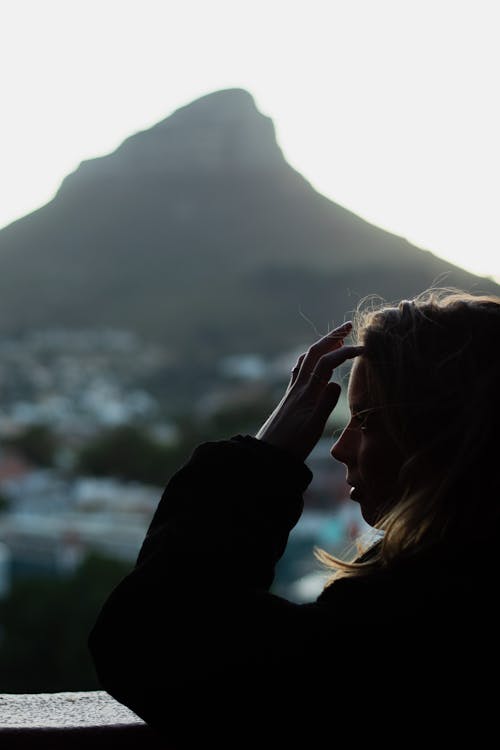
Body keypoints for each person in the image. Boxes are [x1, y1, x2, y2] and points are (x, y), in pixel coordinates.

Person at [88, 287, 500, 748]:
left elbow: (150, 644)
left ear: (443, 438)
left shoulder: (405, 632)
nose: (341, 449)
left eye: (365, 420)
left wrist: (261, 459)